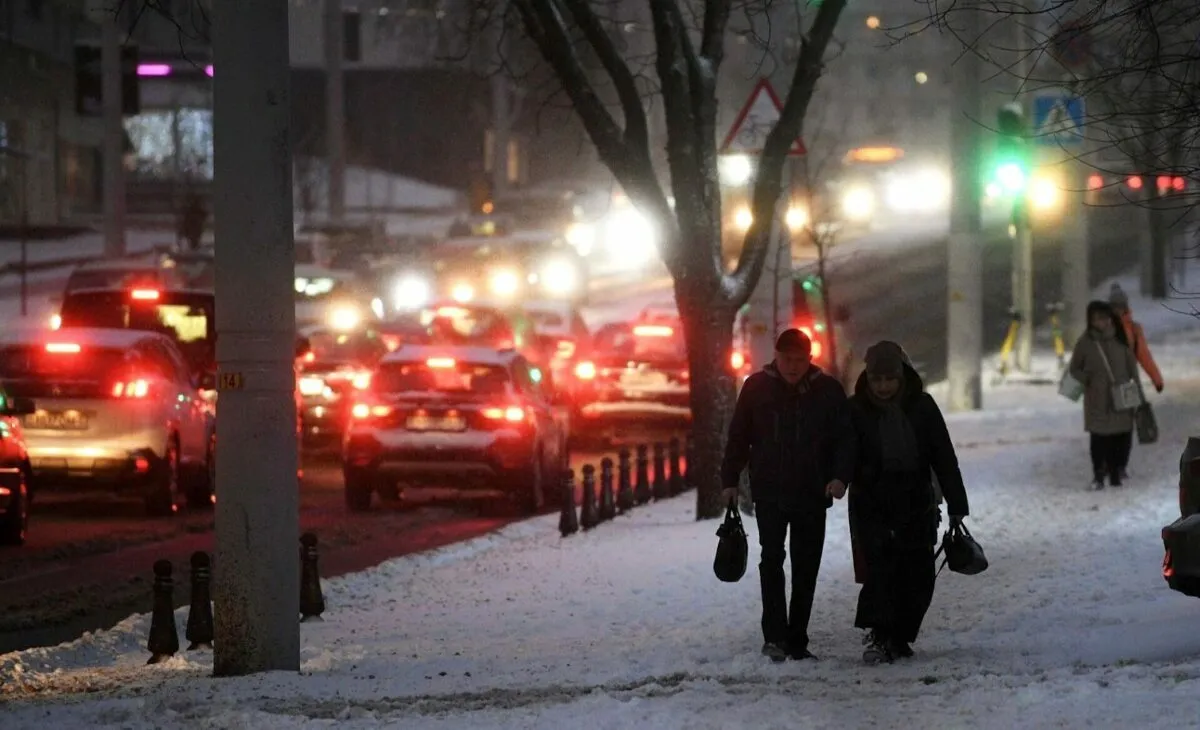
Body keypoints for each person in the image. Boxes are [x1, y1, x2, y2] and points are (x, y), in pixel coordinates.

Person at [720, 328, 856, 663]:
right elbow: (739, 435)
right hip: (770, 490)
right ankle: (775, 636)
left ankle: (797, 637)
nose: (792, 367)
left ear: (810, 360)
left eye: (799, 360)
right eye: (786, 359)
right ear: (775, 357)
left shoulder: (827, 391)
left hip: (813, 491)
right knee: (772, 560)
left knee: (806, 566)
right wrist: (730, 479)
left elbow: (845, 439)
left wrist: (840, 478)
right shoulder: (756, 388)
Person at [847, 341, 970, 664]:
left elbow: (943, 456)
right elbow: (844, 453)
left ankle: (900, 636)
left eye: (890, 379)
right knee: (880, 569)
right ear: (868, 379)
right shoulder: (856, 410)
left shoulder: (923, 407)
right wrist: (837, 479)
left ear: (901, 377)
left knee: (919, 574)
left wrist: (957, 505)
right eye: (877, 380)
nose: (884, 387)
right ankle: (878, 633)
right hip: (871, 500)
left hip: (916, 500)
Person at [1068, 301, 1138, 490]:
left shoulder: (1121, 340)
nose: (1103, 322)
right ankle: (1098, 475)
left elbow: (1133, 369)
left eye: (1105, 318)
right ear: (1090, 321)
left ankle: (1116, 472)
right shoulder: (1085, 343)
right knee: (1098, 439)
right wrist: (1087, 379)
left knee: (1121, 437)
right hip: (1096, 399)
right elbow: (1074, 369)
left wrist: (1137, 393)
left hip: (1122, 395)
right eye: (1097, 319)